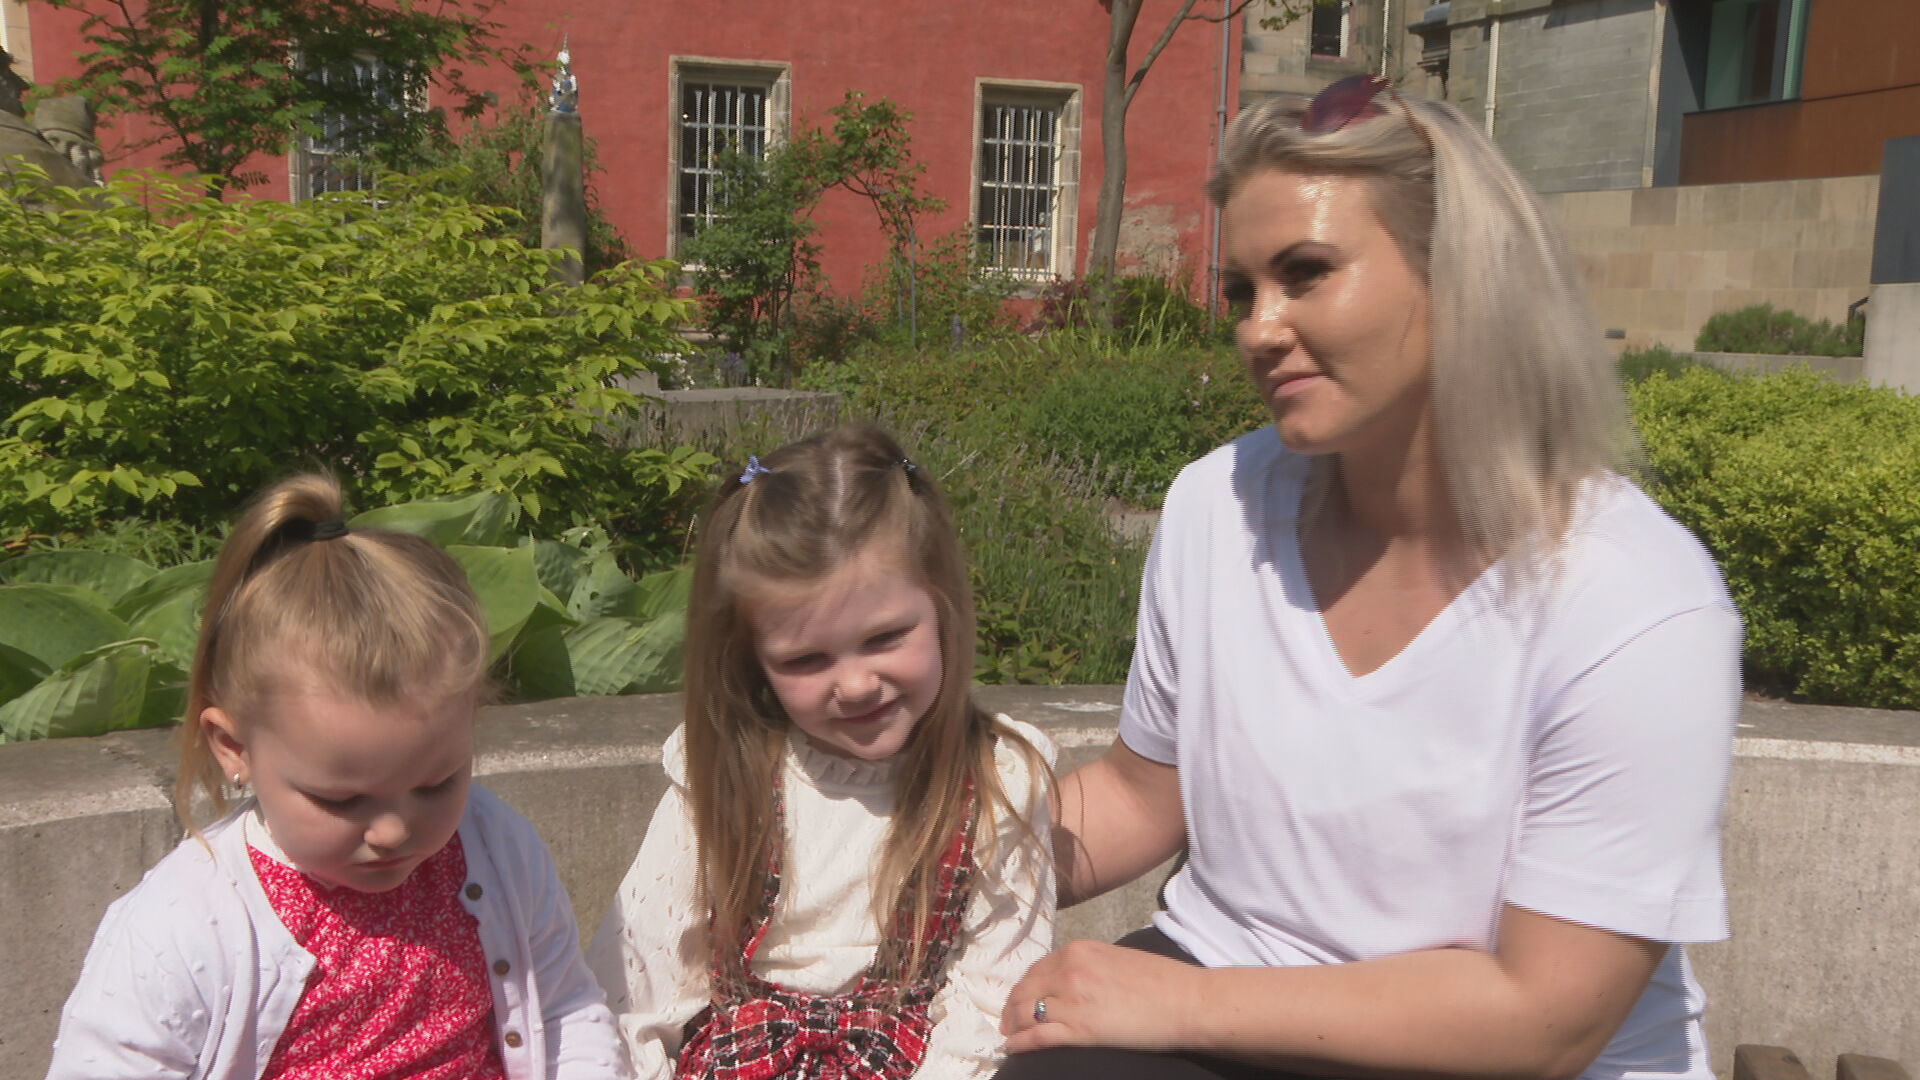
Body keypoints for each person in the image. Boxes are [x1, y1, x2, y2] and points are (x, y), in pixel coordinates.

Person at [996, 76, 1742, 1080]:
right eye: (1241, 290)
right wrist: (934, 873)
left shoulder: (1637, 605)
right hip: (1229, 992)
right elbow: (1143, 790)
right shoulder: (1217, 506)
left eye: (1305, 274)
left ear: (1461, 277)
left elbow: (1544, 1021)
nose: (1258, 329)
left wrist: (1181, 1001)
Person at [46, 474, 626, 1080]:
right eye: (342, 799)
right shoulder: (181, 924)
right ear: (233, 747)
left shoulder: (497, 850)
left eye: (437, 783)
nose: (394, 830)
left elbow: (563, 1009)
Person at [588, 425, 1056, 1080]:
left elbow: (993, 1002)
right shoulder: (729, 769)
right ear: (754, 660)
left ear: (942, 606)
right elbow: (634, 984)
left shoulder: (997, 778)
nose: (857, 684)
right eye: (806, 659)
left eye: (886, 636)